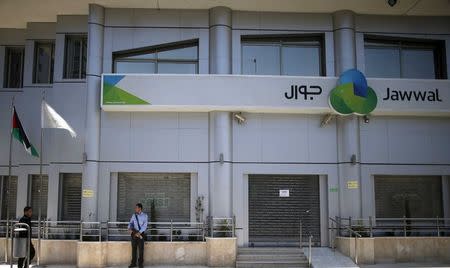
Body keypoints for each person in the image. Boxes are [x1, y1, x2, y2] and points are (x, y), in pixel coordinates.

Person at [128, 203, 148, 268]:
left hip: (141, 234)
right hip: (133, 234)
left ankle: (140, 264)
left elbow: (145, 226)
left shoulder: (145, 216)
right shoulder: (134, 215)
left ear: (140, 208)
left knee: (141, 249)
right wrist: (129, 228)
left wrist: (139, 232)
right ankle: (133, 263)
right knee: (134, 249)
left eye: (136, 207)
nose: (135, 209)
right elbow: (130, 223)